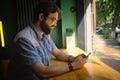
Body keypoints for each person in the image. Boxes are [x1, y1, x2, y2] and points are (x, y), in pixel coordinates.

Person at [6, 1, 88, 80]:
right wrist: (73, 66)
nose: (55, 24)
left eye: (56, 20)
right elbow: (42, 72)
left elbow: (57, 53)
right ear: (41, 17)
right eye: (53, 19)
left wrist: (73, 58)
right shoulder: (24, 39)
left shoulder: (45, 34)